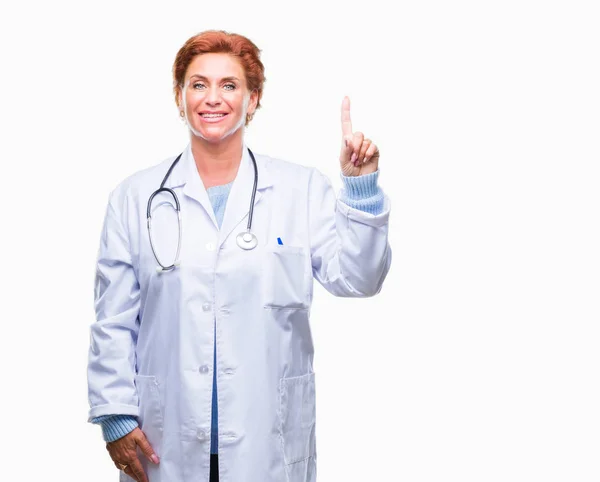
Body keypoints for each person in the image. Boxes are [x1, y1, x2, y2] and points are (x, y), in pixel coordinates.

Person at [87, 30, 392, 482]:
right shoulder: (135, 198)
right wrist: (116, 415)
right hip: (164, 442)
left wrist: (361, 189)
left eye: (229, 85)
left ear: (253, 100)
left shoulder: (300, 190)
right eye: (198, 84)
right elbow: (113, 321)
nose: (213, 98)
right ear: (179, 96)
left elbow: (358, 279)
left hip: (266, 440)